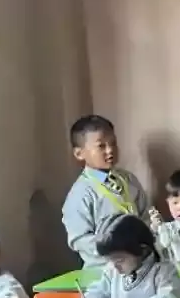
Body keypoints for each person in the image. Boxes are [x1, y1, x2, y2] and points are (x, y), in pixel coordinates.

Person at [62, 114, 150, 267]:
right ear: (79, 153)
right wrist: (115, 249)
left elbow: (146, 215)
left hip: (140, 264)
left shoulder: (129, 179)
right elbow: (79, 240)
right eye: (101, 146)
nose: (110, 150)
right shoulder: (81, 193)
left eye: (113, 143)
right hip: (104, 270)